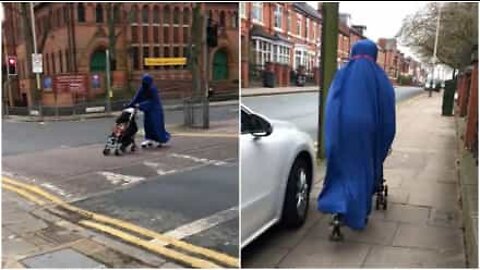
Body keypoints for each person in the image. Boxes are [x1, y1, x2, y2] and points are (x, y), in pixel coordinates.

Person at [317, 39, 396, 230]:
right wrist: (383, 144)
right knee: (363, 169)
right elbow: (388, 117)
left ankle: (337, 206)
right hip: (367, 132)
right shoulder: (381, 78)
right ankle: (358, 213)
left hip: (341, 129)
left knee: (340, 167)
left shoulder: (342, 74)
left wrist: (332, 134)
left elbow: (331, 106)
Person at [127, 74, 170, 148]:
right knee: (147, 124)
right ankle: (148, 139)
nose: (144, 84)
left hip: (155, 109)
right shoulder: (142, 88)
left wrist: (140, 105)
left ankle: (161, 139)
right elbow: (137, 98)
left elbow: (153, 101)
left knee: (156, 125)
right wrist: (130, 105)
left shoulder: (153, 89)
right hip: (148, 110)